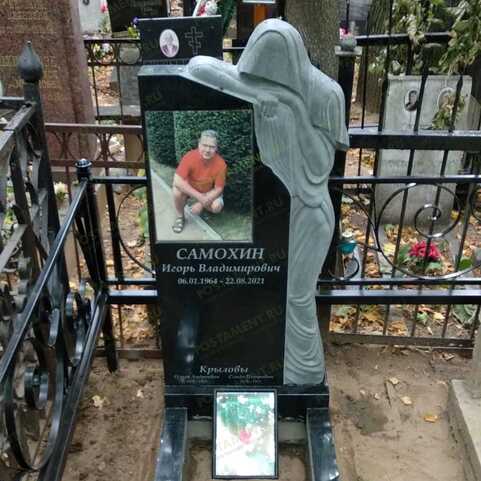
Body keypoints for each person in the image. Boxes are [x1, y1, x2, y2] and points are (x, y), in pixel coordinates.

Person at [184, 19, 349, 385]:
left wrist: (292, 109)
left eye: (269, 73)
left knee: (297, 298)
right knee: (274, 296)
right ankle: (277, 369)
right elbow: (199, 67)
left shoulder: (326, 95)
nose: (259, 80)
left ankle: (304, 375)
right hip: (282, 209)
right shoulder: (260, 87)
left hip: (310, 213)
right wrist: (261, 93)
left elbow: (320, 166)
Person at [172, 130, 227, 233]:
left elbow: (219, 188)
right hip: (192, 189)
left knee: (217, 207)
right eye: (204, 145)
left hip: (208, 191)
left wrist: (201, 203)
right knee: (176, 191)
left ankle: (202, 206)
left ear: (216, 148)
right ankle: (180, 217)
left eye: (211, 147)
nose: (207, 150)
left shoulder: (221, 164)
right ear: (199, 144)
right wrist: (200, 198)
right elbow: (177, 180)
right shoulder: (190, 156)